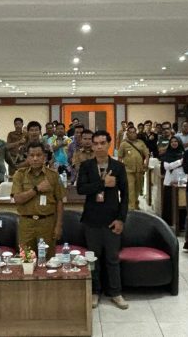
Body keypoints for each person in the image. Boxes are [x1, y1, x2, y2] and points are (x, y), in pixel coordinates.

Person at [77, 130, 129, 310]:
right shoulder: (86, 166)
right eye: (96, 143)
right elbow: (81, 189)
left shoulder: (118, 167)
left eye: (102, 143)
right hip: (92, 219)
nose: (99, 146)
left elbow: (125, 196)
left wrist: (121, 219)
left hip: (112, 219)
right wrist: (102, 184)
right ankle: (94, 291)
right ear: (92, 146)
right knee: (94, 259)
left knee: (112, 258)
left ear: (109, 144)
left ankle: (116, 292)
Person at [12, 141, 65, 259]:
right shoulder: (19, 175)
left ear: (44, 157)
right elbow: (18, 199)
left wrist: (58, 226)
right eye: (32, 155)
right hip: (26, 224)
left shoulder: (53, 175)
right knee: (27, 259)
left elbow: (60, 202)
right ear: (27, 157)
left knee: (48, 260)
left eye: (38, 155)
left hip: (47, 223)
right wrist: (37, 189)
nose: (35, 158)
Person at [117, 125, 149, 210]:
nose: (132, 134)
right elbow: (120, 157)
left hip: (139, 170)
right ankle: (131, 207)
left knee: (138, 188)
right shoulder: (124, 144)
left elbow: (147, 154)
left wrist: (146, 164)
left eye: (134, 132)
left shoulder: (141, 143)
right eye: (130, 133)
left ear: (136, 133)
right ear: (127, 134)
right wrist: (119, 170)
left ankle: (135, 203)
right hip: (128, 170)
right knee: (130, 189)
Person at [160, 136, 185, 226]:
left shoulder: (184, 154)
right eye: (172, 142)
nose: (174, 143)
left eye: (176, 141)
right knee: (169, 203)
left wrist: (175, 164)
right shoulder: (167, 154)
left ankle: (180, 225)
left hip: (181, 182)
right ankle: (168, 223)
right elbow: (167, 167)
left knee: (181, 203)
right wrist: (180, 162)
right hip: (169, 182)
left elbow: (186, 167)